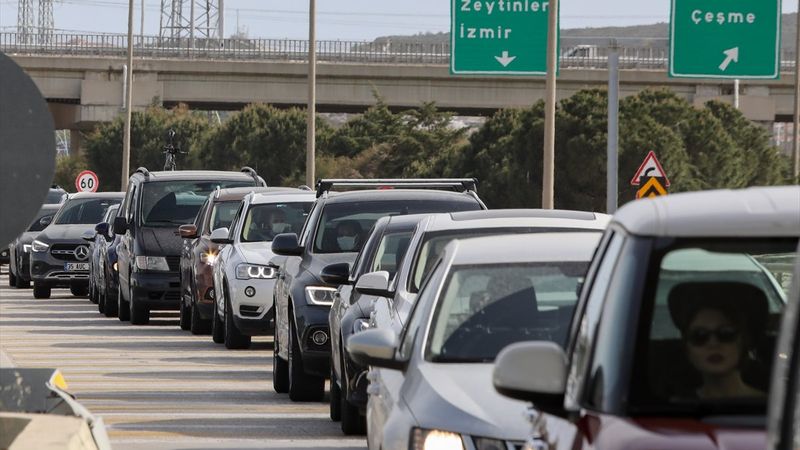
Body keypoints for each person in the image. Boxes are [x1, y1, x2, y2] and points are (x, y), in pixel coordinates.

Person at [668, 282, 768, 400]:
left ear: (744, 342)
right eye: (699, 336)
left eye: (726, 334)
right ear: (687, 348)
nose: (713, 343)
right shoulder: (673, 409)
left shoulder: (776, 407)